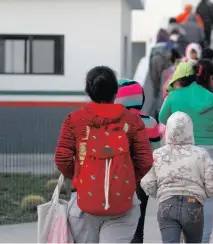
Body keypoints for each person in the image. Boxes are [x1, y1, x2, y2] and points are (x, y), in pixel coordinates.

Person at [55, 66, 153, 243]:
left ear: (88, 91)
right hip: (123, 201)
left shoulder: (74, 119)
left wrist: (83, 175)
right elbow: (145, 161)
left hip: (83, 202)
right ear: (116, 92)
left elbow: (62, 160)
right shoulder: (132, 121)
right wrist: (126, 177)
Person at [159, 60, 213, 243]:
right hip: (212, 151)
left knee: (179, 194)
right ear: (212, 77)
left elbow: (163, 118)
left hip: (182, 151)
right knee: (206, 196)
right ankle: (203, 239)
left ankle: (180, 236)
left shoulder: (176, 96)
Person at [141, 111, 213, 243]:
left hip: (167, 205)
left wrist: (161, 193)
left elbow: (147, 182)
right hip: (193, 205)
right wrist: (201, 194)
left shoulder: (159, 154)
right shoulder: (201, 154)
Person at [115, 79, 161, 243]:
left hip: (117, 179)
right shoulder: (150, 122)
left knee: (117, 224)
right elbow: (156, 152)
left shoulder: (113, 123)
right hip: (142, 180)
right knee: (138, 227)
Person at [149, 29, 175, 120]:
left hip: (155, 65)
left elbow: (153, 78)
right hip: (168, 76)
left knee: (157, 92)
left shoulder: (154, 49)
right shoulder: (170, 46)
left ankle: (158, 115)